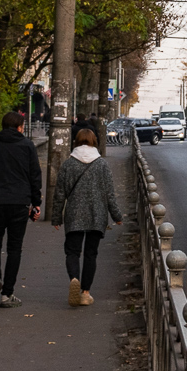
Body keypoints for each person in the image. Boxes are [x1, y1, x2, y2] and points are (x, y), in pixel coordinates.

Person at [0, 111, 42, 309]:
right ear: (20, 127)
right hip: (19, 203)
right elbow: (34, 176)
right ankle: (7, 294)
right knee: (14, 248)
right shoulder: (27, 146)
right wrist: (36, 203)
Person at [50, 129, 123, 307]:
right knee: (91, 254)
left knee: (72, 252)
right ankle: (85, 292)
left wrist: (56, 217)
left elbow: (59, 193)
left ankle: (74, 278)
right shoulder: (102, 165)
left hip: (74, 214)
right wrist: (117, 216)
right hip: (96, 215)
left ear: (75, 142)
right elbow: (109, 195)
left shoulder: (68, 164)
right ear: (94, 142)